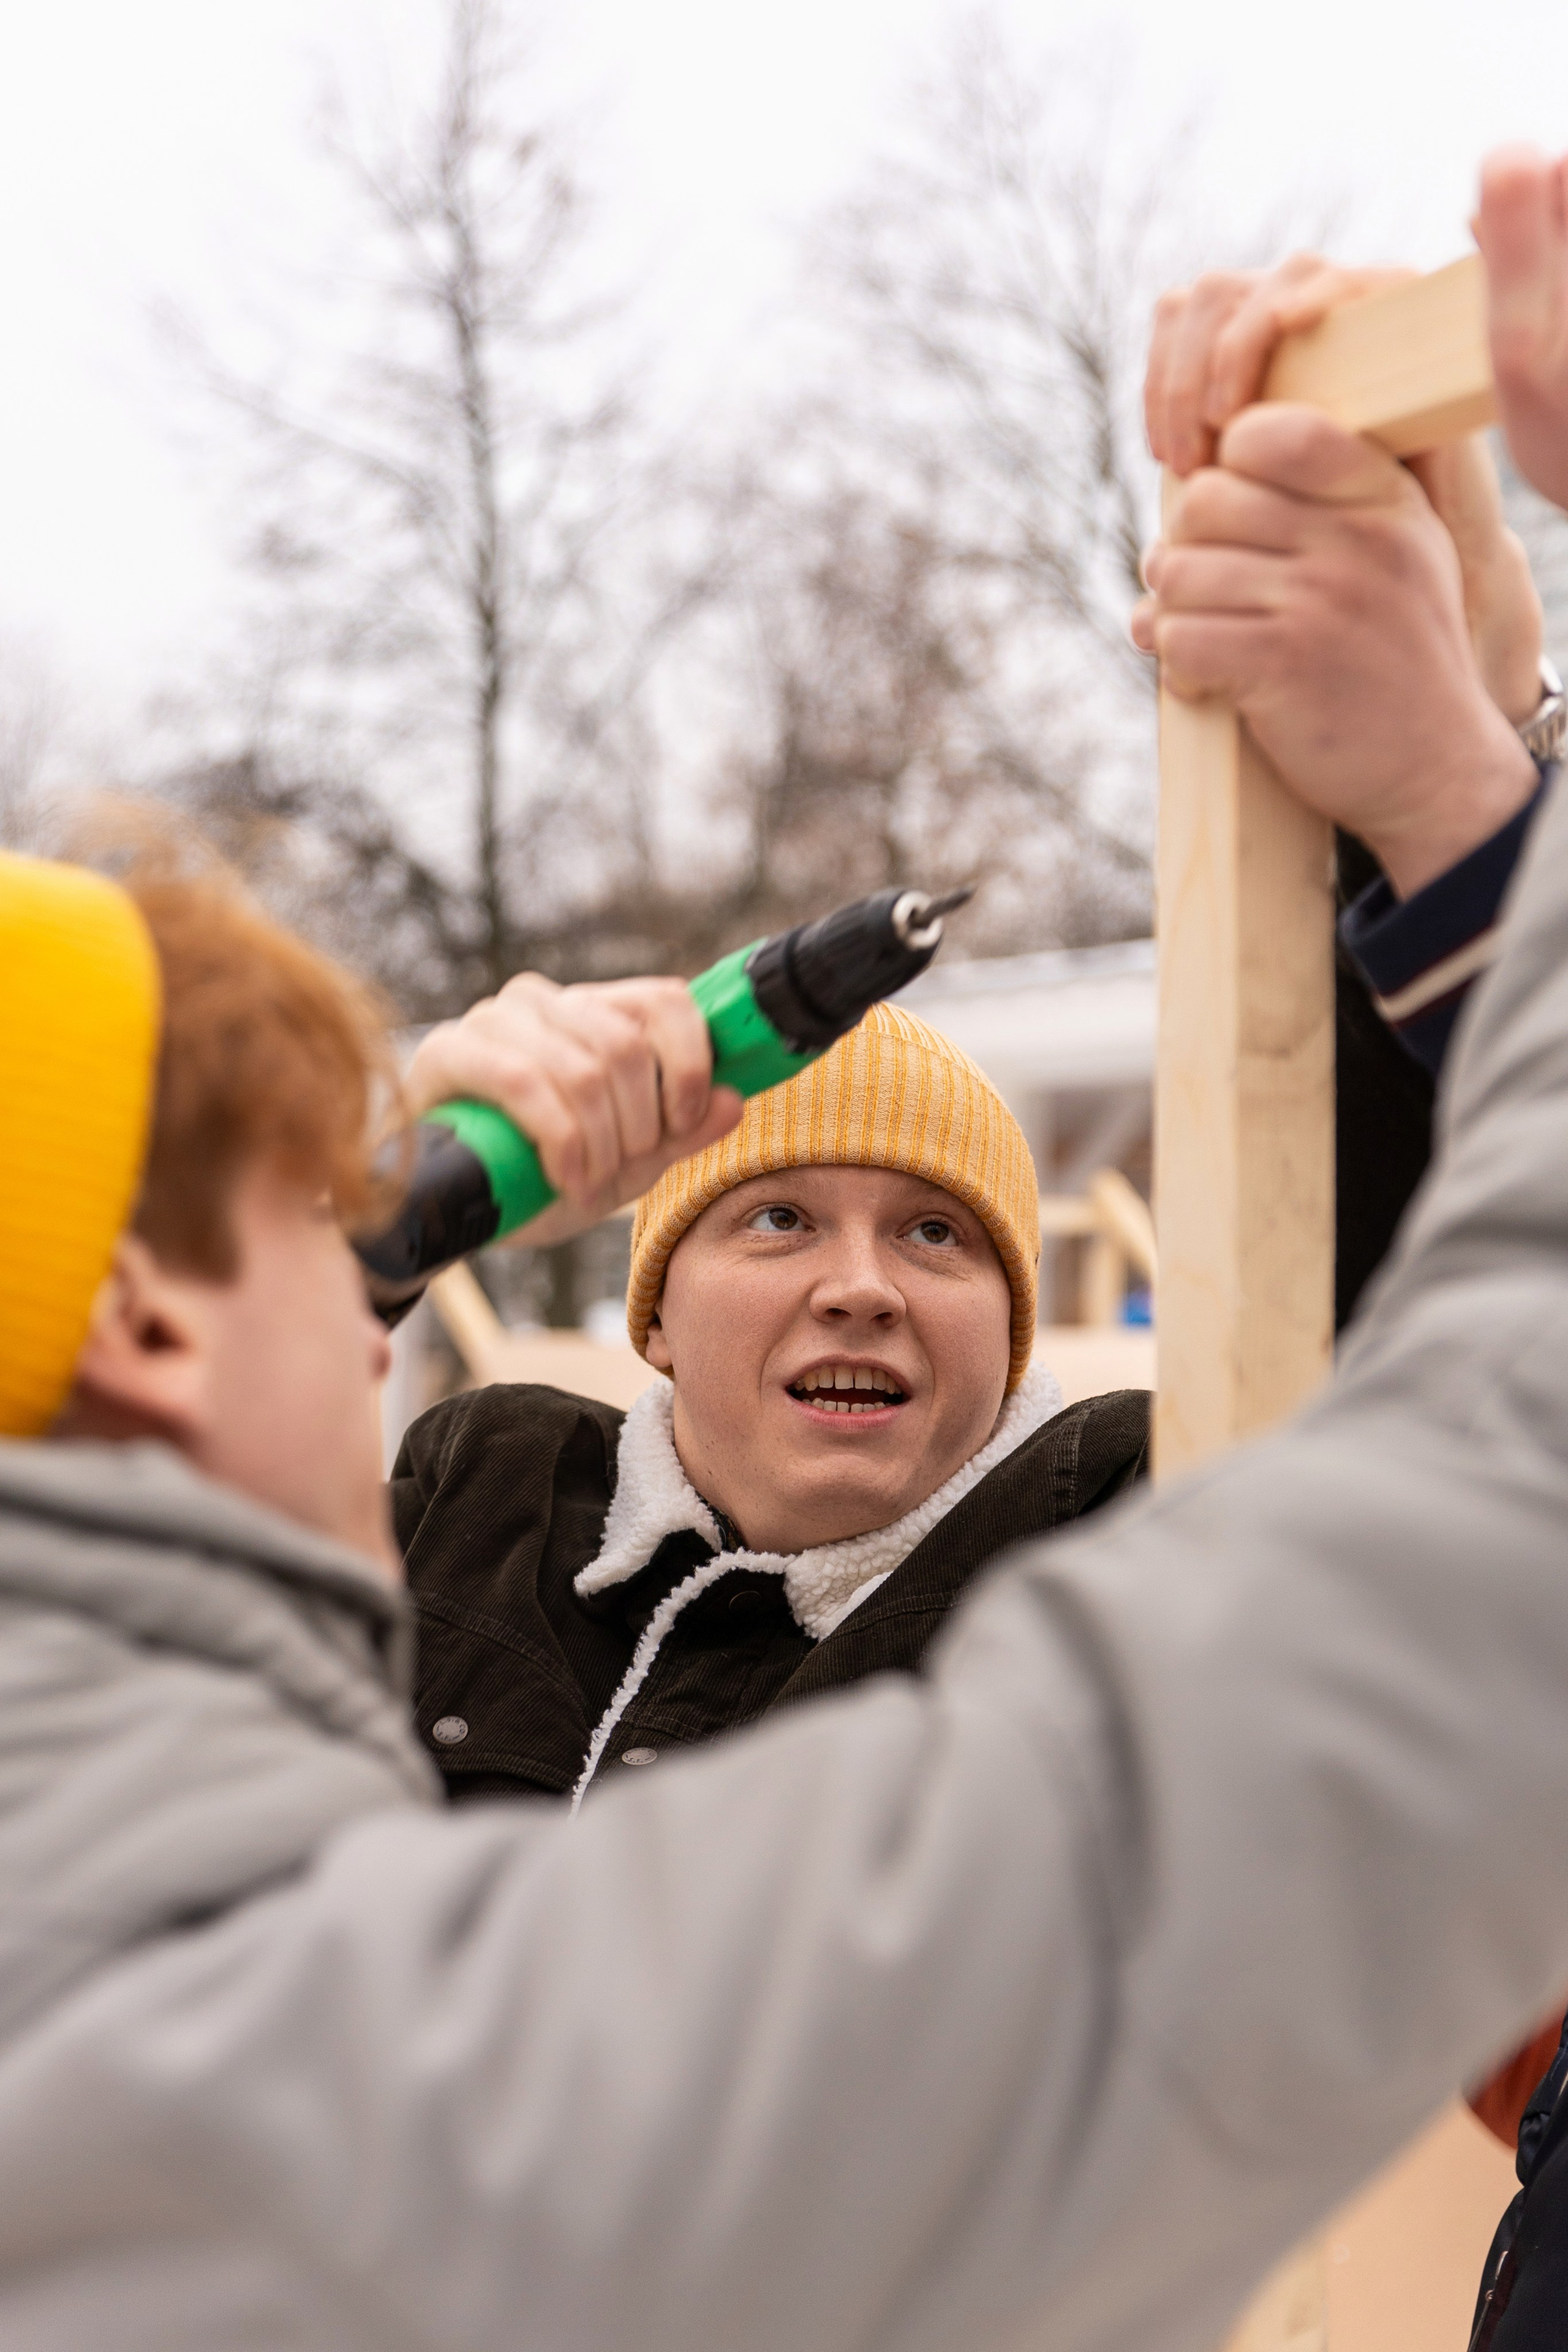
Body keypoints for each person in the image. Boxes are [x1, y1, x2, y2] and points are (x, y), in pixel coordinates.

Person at [7, 146, 1568, 2352]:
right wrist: (1481, 812)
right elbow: (1490, 1550)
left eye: (938, 1234)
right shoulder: (386, 2095)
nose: (389, 1256)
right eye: (319, 1230)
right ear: (146, 1322)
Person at [393, 289, 1550, 1808]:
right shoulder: (474, 1488)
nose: (860, 1287)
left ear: (1008, 1339)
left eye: (937, 1235)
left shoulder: (1120, 1529)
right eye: (778, 1216)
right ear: (656, 1310)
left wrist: (1464, 807)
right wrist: (373, 1222)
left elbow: (1416, 1338)